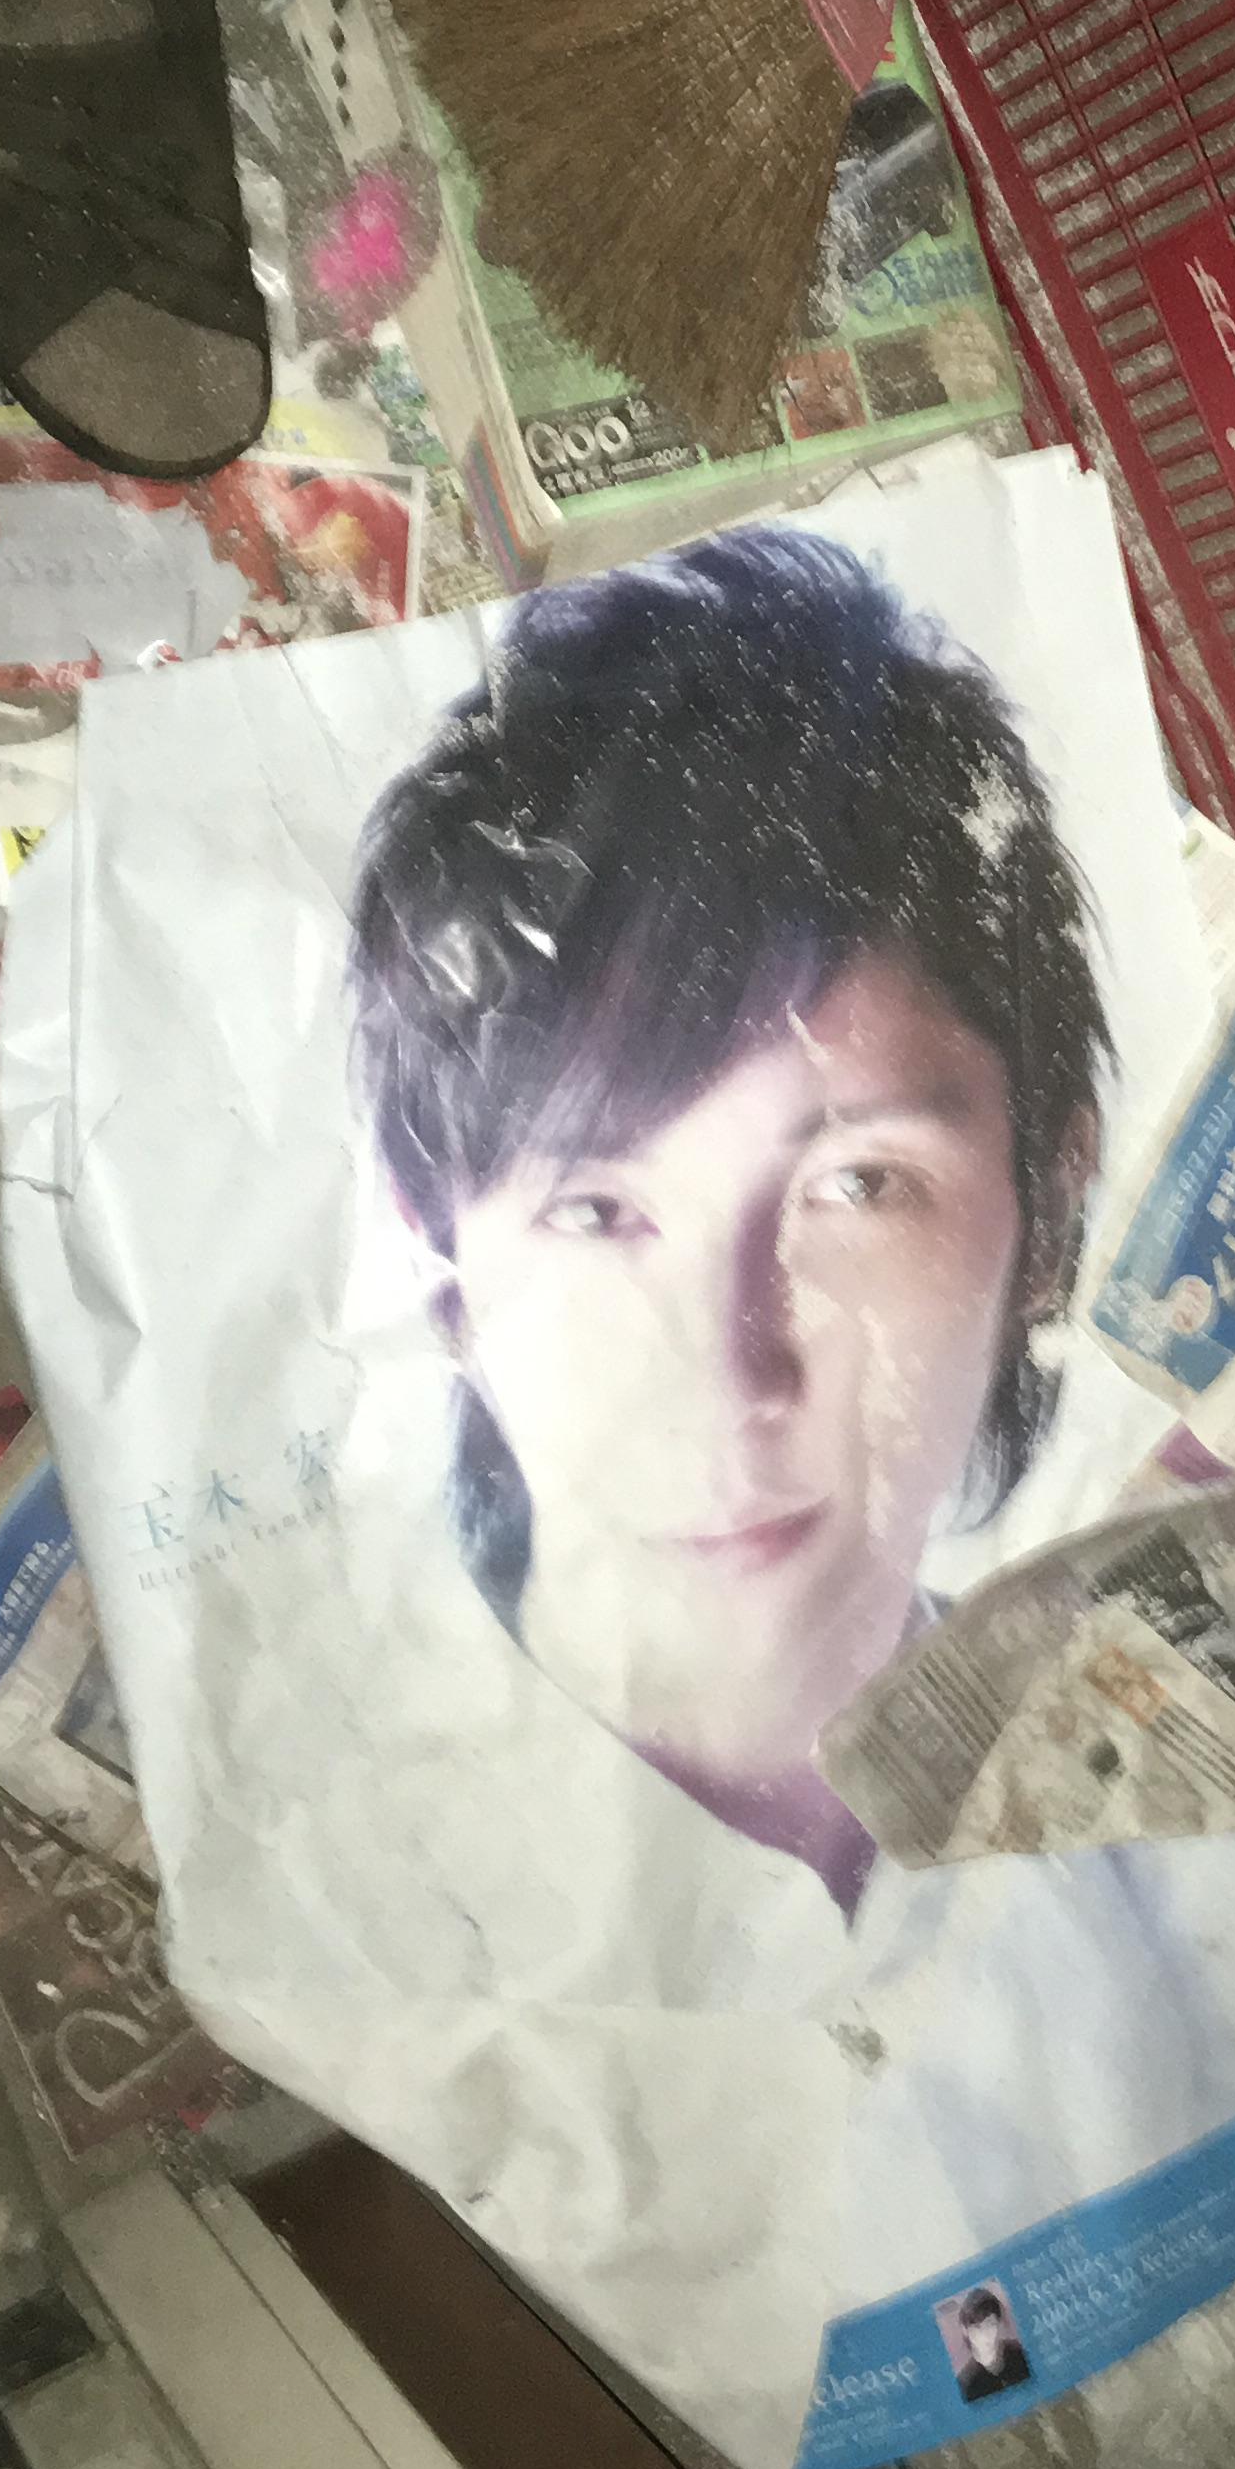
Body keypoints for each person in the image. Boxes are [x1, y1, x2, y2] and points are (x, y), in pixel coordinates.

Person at [347, 528, 1109, 1910]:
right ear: (440, 1268)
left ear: (1048, 1214)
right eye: (595, 1210)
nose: (727, 1370)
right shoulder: (352, 1867)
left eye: (859, 1185)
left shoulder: (1168, 1823)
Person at [942, 2282, 1033, 2404]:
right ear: (965, 2330)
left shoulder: (1020, 2354)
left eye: (990, 2325)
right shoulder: (966, 2383)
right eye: (978, 2328)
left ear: (999, 2323)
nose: (985, 2335)